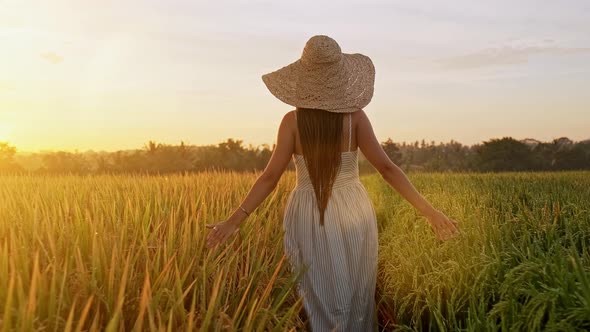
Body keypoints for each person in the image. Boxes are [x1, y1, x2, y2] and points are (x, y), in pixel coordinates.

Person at [205, 35, 460, 331]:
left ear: (303, 77)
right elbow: (388, 169)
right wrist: (431, 213)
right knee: (355, 293)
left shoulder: (292, 122)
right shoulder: (355, 119)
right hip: (352, 208)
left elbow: (269, 177)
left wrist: (234, 221)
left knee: (318, 297)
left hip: (307, 211)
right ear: (340, 79)